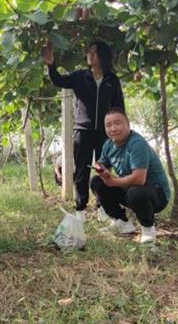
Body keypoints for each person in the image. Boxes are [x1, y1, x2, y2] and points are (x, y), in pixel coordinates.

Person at [42, 39, 125, 222]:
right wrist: (51, 65)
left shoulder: (112, 80)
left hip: (105, 133)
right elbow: (58, 80)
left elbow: (119, 106)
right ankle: (80, 209)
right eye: (89, 52)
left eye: (94, 52)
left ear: (102, 56)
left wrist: (119, 131)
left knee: (103, 170)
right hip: (83, 130)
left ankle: (102, 206)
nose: (90, 55)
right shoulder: (80, 76)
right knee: (81, 170)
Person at [90, 108, 170, 244]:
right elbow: (102, 163)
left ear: (128, 125)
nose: (113, 128)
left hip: (155, 194)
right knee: (97, 182)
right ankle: (121, 222)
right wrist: (101, 169)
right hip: (129, 190)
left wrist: (113, 181)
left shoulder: (137, 143)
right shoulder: (108, 144)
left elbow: (139, 179)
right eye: (108, 125)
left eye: (117, 123)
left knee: (136, 191)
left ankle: (148, 229)